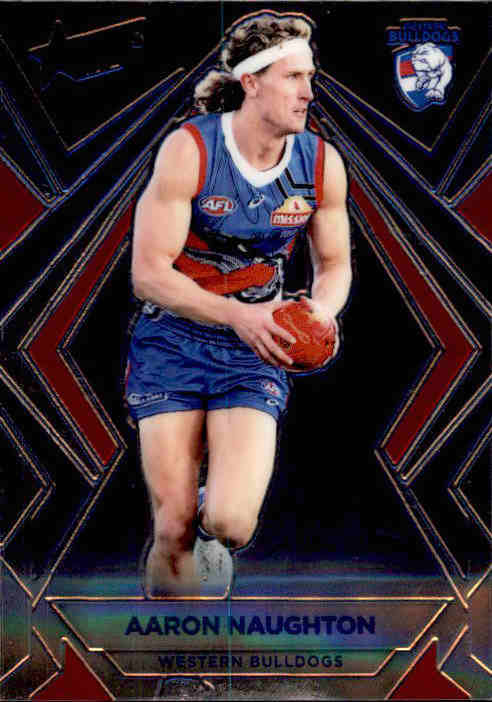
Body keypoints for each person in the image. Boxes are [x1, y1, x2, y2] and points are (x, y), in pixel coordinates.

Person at [126, 11, 352, 597]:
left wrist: (322, 311)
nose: (308, 92)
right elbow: (148, 274)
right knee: (171, 526)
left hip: (255, 351)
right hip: (172, 340)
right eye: (293, 77)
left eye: (310, 77)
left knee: (230, 523)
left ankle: (207, 527)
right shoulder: (190, 149)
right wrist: (239, 315)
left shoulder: (321, 164)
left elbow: (334, 266)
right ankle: (176, 645)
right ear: (251, 81)